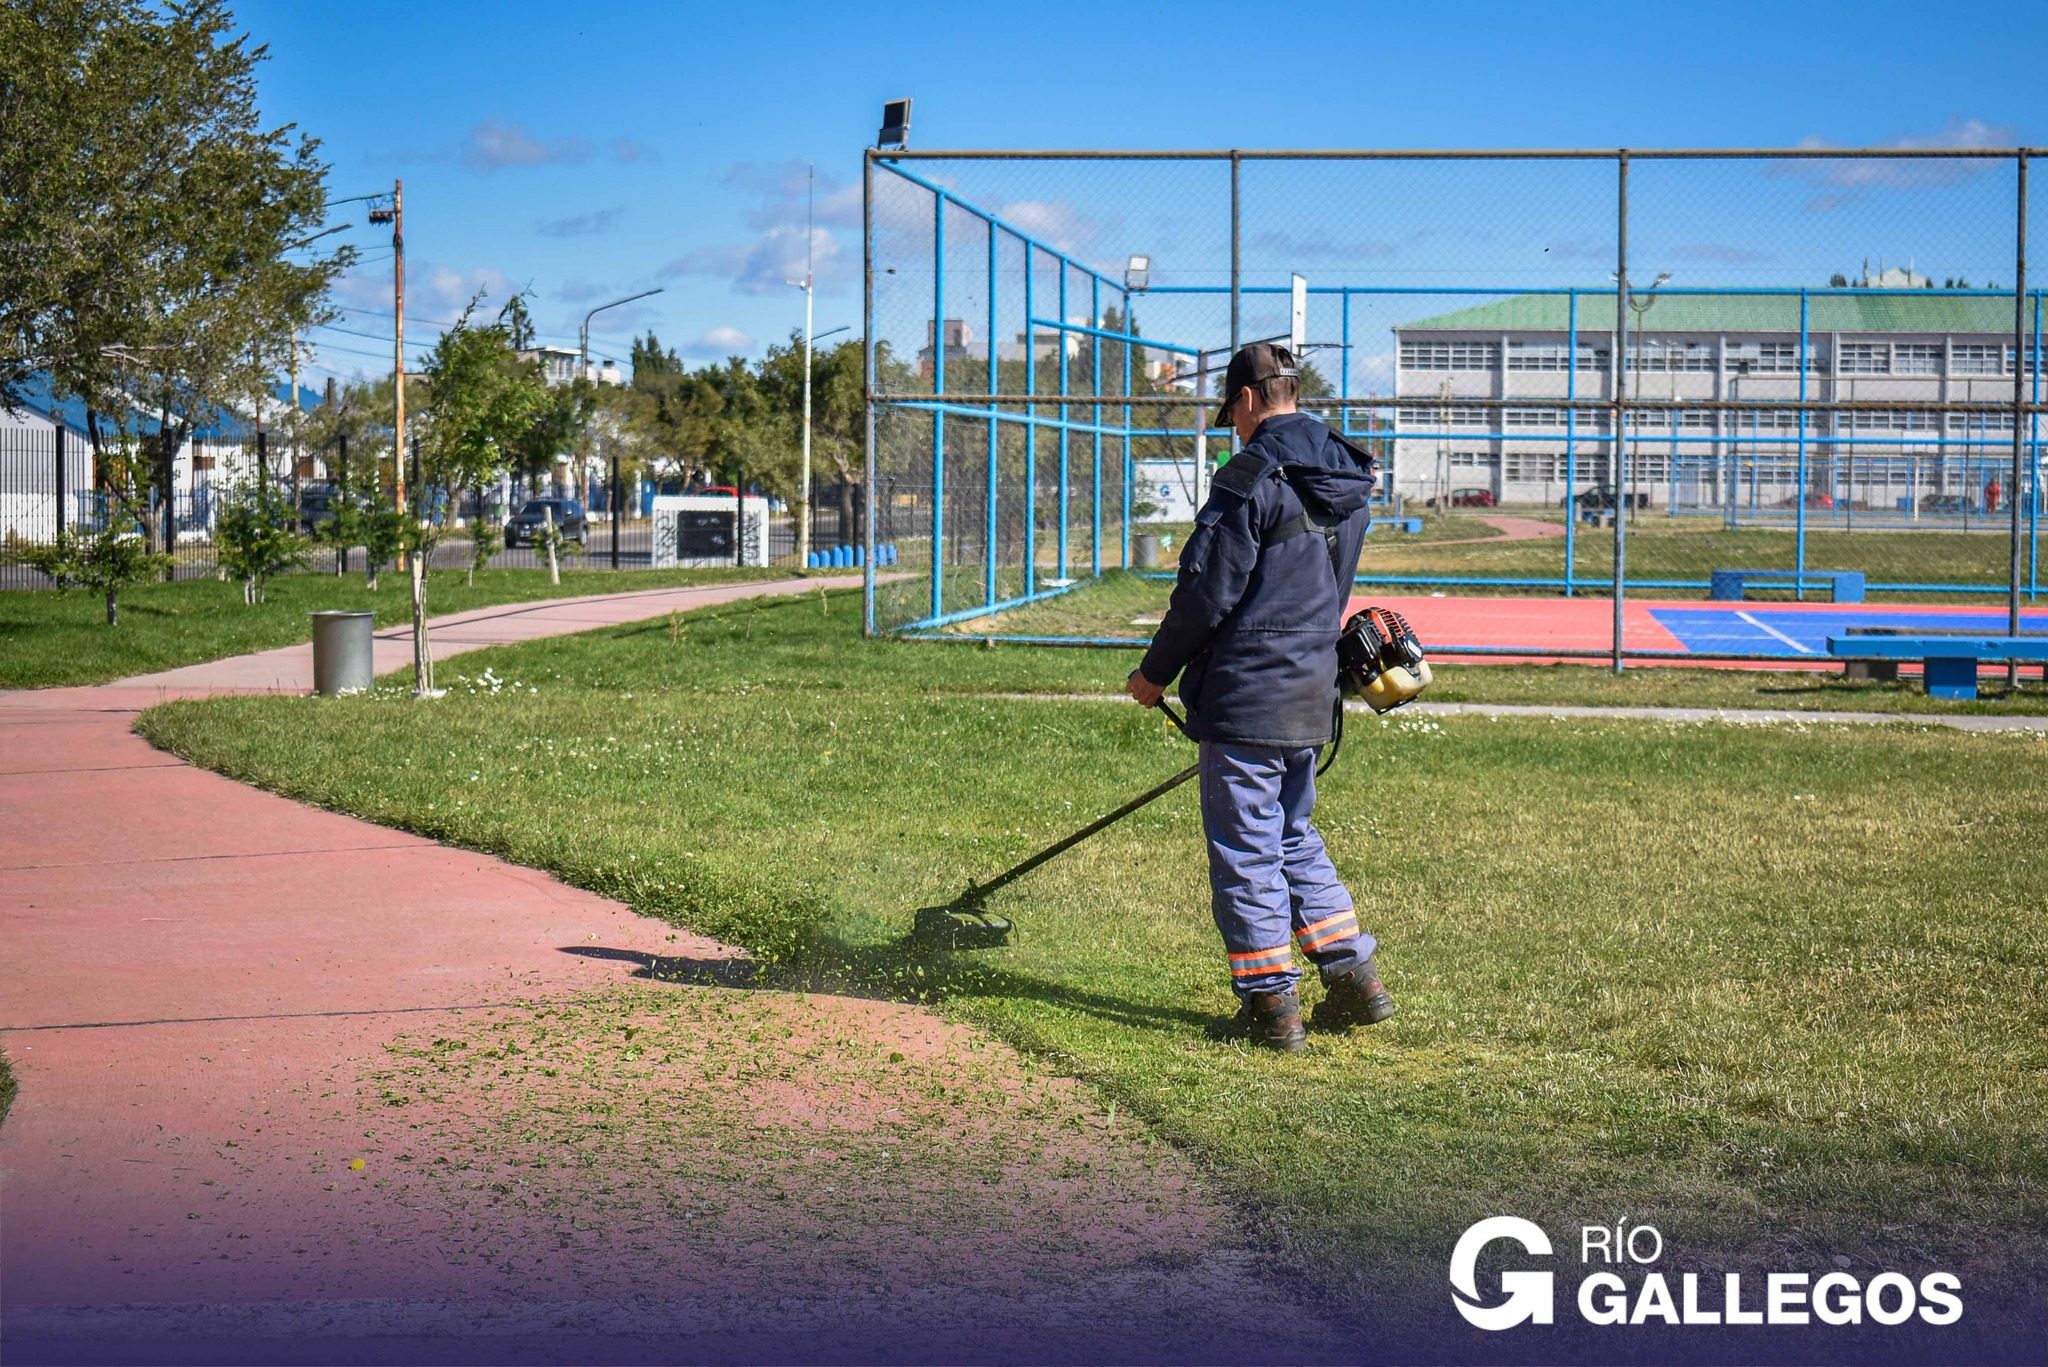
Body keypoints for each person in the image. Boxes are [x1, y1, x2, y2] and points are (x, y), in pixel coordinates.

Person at [1124, 343, 1395, 1052]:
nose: (1233, 429)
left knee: (1247, 846)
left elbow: (1207, 591)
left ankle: (1271, 1005)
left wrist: (1155, 671)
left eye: (1232, 416)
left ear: (1248, 399)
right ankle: (1355, 978)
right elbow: (1329, 593)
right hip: (1311, 691)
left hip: (1248, 691)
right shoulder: (1344, 471)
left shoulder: (1251, 475)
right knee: (1291, 835)